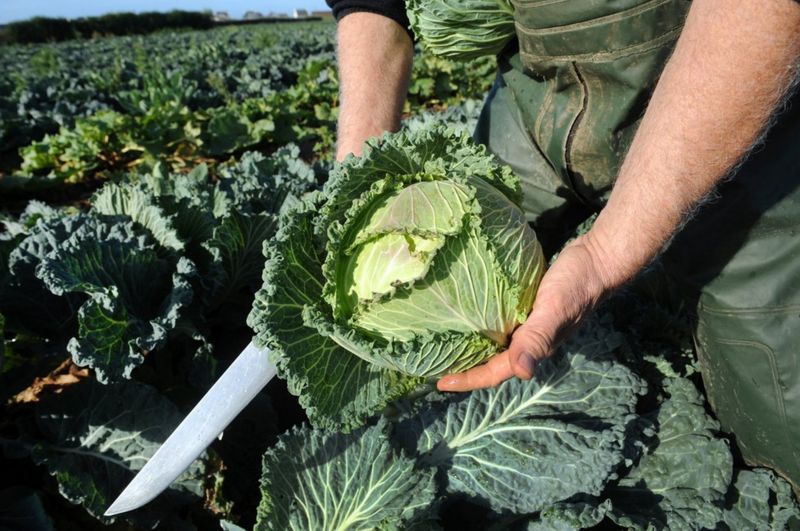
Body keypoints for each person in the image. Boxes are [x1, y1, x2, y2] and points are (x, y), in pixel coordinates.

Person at [325, 0, 800, 492]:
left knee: (780, 436)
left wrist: (602, 256)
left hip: (725, 72)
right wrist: (358, 184)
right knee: (426, 397)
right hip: (540, 77)